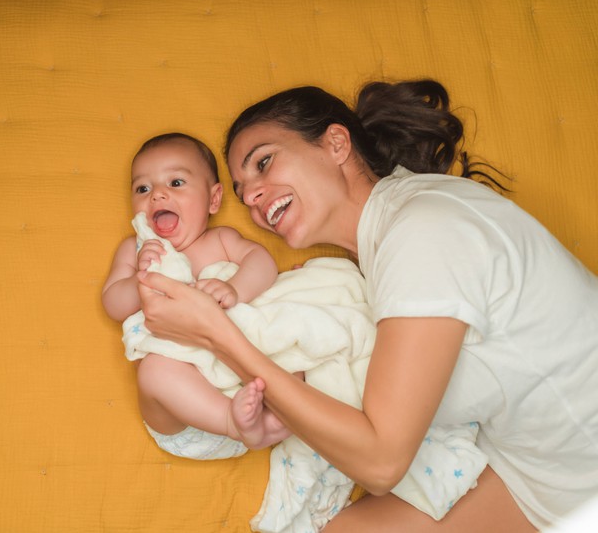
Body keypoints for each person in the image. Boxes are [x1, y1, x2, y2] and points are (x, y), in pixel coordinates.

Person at [135, 80, 598, 531]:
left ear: (337, 143)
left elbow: (380, 462)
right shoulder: (381, 245)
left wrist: (216, 334)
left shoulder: (422, 231)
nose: (253, 196)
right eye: (241, 191)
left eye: (264, 163)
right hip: (530, 467)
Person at [101, 132, 289, 457]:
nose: (157, 195)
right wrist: (140, 280)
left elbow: (263, 263)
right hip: (186, 417)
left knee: (290, 327)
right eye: (142, 188)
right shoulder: (135, 251)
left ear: (213, 200)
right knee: (154, 373)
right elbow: (112, 303)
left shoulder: (222, 241)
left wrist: (235, 289)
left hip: (246, 387)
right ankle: (232, 422)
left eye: (175, 183)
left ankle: (280, 414)